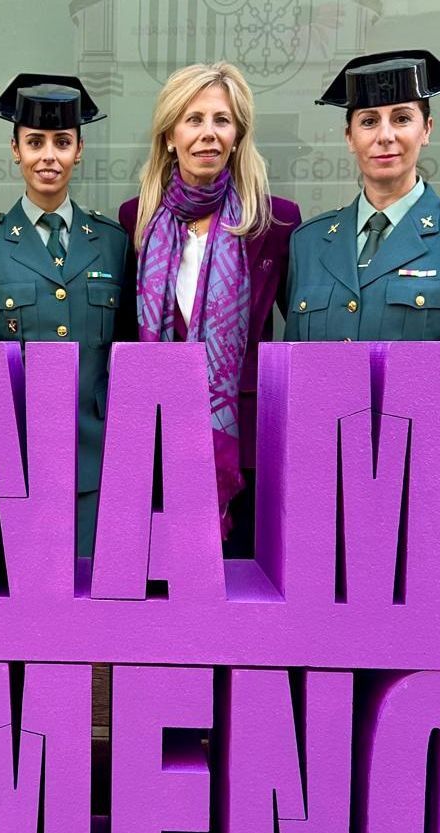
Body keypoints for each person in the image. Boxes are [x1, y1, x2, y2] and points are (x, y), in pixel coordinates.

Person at [118, 62, 300, 549]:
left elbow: (299, 337)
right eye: (193, 119)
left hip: (240, 443)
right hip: (157, 435)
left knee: (241, 590)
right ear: (170, 135)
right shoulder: (135, 219)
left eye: (221, 120)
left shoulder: (276, 221)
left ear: (238, 134)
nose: (208, 134)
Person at [0, 74, 131, 558]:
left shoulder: (113, 243)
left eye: (61, 142)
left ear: (79, 150)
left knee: (93, 594)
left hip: (96, 459)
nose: (48, 156)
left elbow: (128, 352)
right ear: (15, 149)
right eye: (34, 142)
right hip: (15, 459)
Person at [283, 50, 440, 341]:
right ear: (349, 137)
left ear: (427, 130)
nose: (385, 135)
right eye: (368, 121)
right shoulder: (308, 242)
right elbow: (294, 366)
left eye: (402, 118)